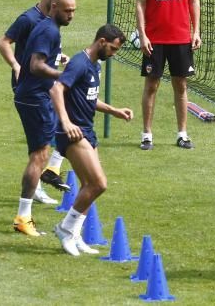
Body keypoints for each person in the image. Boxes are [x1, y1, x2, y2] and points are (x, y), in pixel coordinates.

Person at [50, 24, 133, 256]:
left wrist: (114, 110)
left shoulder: (95, 66)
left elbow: (88, 98)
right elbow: (57, 90)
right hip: (73, 133)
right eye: (113, 49)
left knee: (89, 187)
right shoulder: (79, 62)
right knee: (99, 184)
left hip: (87, 130)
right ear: (102, 41)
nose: (113, 54)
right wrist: (66, 123)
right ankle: (65, 228)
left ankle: (75, 234)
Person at [0, 0, 74, 204]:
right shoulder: (30, 20)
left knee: (59, 128)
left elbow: (43, 53)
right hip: (31, 87)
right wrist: (15, 64)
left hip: (42, 84)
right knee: (45, 141)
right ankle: (37, 186)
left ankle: (45, 174)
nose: (70, 13)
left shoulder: (51, 24)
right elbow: (3, 42)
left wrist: (58, 58)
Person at [12, 0, 76, 237]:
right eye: (67, 10)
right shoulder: (48, 30)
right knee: (39, 156)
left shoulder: (49, 28)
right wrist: (63, 75)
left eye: (73, 11)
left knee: (41, 152)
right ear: (55, 6)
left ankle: (43, 183)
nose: (71, 15)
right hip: (33, 98)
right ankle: (22, 217)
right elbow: (36, 65)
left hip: (36, 96)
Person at [134, 0, 201, 150]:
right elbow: (140, 4)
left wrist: (196, 31)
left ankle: (182, 134)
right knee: (151, 85)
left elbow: (194, 1)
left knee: (180, 85)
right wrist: (142, 34)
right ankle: (146, 134)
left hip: (181, 39)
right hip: (155, 40)